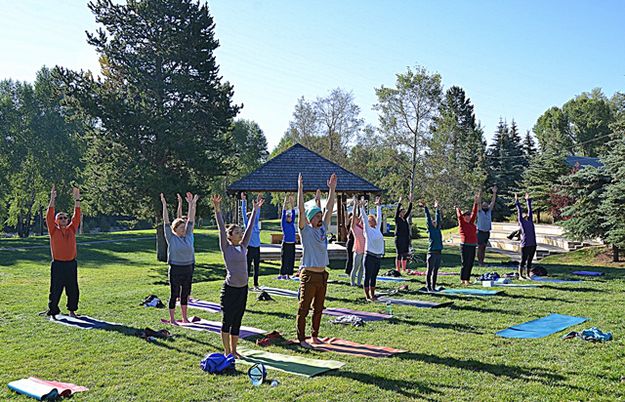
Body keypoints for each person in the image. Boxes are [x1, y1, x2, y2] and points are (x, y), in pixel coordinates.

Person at [212, 193, 262, 357]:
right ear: (230, 236)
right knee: (227, 321)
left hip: (243, 290)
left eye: (241, 232)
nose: (241, 234)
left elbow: (249, 228)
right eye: (237, 233)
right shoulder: (226, 247)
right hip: (230, 290)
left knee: (237, 321)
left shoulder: (243, 247)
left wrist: (255, 210)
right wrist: (217, 209)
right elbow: (220, 227)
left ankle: (234, 350)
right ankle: (227, 351)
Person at [296, 172, 336, 348]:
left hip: (322, 275)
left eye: (321, 216)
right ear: (311, 218)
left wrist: (332, 189)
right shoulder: (305, 231)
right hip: (309, 274)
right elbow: (301, 210)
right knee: (304, 308)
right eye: (318, 216)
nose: (321, 217)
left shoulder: (322, 230)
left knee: (319, 308)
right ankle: (301, 338)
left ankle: (315, 335)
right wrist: (300, 189)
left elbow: (330, 207)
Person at [160, 192, 198, 324]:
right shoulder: (171, 238)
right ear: (175, 229)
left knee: (185, 294)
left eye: (184, 227)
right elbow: (166, 221)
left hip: (188, 268)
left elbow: (191, 219)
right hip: (175, 269)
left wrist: (192, 204)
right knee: (174, 294)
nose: (183, 229)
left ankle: (184, 317)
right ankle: (172, 319)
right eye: (181, 228)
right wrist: (164, 205)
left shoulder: (189, 236)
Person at [45, 185, 81, 318]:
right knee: (55, 289)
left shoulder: (72, 229)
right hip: (58, 265)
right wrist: (52, 197)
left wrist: (77, 199)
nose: (64, 219)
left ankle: (72, 311)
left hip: (71, 264)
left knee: (73, 289)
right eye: (60, 218)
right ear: (56, 221)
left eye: (65, 217)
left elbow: (77, 215)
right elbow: (49, 214)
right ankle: (53, 312)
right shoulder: (53, 230)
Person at [361, 196, 384, 301]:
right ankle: (367, 296)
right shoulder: (367, 230)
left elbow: (380, 218)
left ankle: (373, 294)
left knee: (374, 276)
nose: (373, 221)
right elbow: (364, 219)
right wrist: (361, 207)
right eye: (371, 220)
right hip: (369, 256)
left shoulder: (377, 229)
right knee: (368, 276)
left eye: (373, 219)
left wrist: (378, 206)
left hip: (378, 257)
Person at [456, 193, 479, 286]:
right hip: (465, 245)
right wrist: (457, 208)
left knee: (470, 263)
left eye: (469, 215)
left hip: (473, 245)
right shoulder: (462, 223)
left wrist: (476, 203)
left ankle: (467, 279)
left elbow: (475, 212)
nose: (468, 216)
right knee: (465, 263)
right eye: (466, 215)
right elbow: (459, 216)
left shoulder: (472, 222)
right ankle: (463, 279)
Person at [241, 193, 262, 290]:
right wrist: (244, 201)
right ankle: (245, 284)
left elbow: (257, 212)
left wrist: (258, 202)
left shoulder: (256, 223)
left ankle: (256, 284)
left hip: (257, 248)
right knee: (248, 267)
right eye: (249, 216)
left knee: (257, 267)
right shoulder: (247, 225)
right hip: (250, 248)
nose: (251, 217)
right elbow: (243, 212)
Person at [422, 200, 443, 292]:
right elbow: (428, 218)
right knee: (429, 271)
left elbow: (438, 218)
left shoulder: (438, 229)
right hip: (432, 253)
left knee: (436, 272)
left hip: (438, 253)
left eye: (435, 222)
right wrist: (425, 208)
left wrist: (437, 208)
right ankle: (428, 287)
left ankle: (433, 287)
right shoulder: (431, 230)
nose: (434, 222)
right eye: (433, 222)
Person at [515, 193, 537, 280]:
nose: (525, 215)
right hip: (525, 244)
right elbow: (519, 210)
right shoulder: (522, 222)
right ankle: (521, 275)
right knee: (523, 260)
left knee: (530, 260)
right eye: (524, 215)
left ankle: (527, 275)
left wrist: (528, 200)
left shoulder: (530, 220)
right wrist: (517, 201)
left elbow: (530, 210)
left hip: (533, 244)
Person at [477, 186, 497, 266]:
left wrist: (494, 193)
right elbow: (478, 202)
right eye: (484, 205)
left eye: (486, 205)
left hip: (487, 232)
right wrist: (480, 193)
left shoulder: (489, 211)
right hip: (480, 232)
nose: (485, 206)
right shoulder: (480, 211)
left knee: (484, 247)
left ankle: (482, 261)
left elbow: (493, 201)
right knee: (480, 247)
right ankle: (480, 262)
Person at [394, 194, 413, 273]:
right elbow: (396, 212)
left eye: (404, 212)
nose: (403, 213)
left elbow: (409, 211)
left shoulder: (404, 219)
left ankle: (404, 269)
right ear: (399, 213)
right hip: (399, 239)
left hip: (405, 239)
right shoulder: (397, 219)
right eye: (402, 212)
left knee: (405, 254)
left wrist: (410, 201)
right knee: (399, 254)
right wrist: (399, 202)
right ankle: (397, 269)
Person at [279, 194, 296, 280]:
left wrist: (292, 203)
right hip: (286, 243)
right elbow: (283, 212)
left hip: (292, 243)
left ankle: (288, 274)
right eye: (288, 216)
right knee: (284, 259)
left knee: (291, 259)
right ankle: (282, 274)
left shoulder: (292, 223)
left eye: (290, 217)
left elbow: (293, 212)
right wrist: (285, 202)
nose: (289, 217)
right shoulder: (284, 224)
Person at [350, 197, 365, 287]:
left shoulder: (362, 226)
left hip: (364, 250)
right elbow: (353, 216)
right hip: (357, 250)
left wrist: (362, 205)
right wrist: (355, 205)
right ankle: (352, 282)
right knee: (355, 267)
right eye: (354, 218)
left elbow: (362, 215)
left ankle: (359, 282)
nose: (356, 219)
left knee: (362, 268)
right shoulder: (354, 227)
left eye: (356, 218)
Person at [344, 201, 354, 275]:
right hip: (350, 242)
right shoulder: (348, 226)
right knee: (350, 258)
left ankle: (352, 271)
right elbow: (345, 216)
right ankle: (348, 271)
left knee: (354, 258)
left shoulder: (356, 227)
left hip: (355, 243)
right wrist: (344, 207)